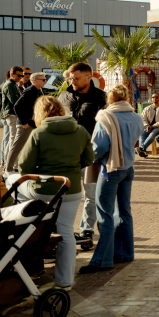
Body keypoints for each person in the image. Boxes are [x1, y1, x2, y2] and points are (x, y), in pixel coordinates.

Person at [17, 96, 93, 290]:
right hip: (71, 188)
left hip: (44, 191)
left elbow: (24, 167)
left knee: (13, 184)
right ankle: (65, 281)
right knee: (66, 231)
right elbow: (88, 159)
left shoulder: (39, 133)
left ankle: (29, 235)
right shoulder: (81, 130)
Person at [78, 84, 143, 275]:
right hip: (128, 166)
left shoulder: (105, 117)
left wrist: (91, 159)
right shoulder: (136, 116)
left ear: (110, 99)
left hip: (110, 167)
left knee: (104, 212)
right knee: (124, 211)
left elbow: (98, 146)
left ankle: (102, 260)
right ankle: (124, 253)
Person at [59, 62, 107, 244]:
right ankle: (63, 231)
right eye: (71, 78)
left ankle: (86, 230)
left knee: (91, 194)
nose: (73, 82)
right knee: (63, 194)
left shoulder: (102, 98)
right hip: (66, 154)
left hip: (90, 155)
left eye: (76, 78)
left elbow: (106, 127)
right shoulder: (64, 96)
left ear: (89, 77)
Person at [6, 72, 47, 172]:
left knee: (35, 147)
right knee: (17, 147)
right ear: (34, 81)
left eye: (45, 79)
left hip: (34, 124)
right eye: (43, 80)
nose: (45, 81)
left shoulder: (39, 91)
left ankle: (26, 167)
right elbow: (17, 106)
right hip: (26, 125)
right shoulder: (30, 91)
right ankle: (8, 169)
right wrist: (24, 122)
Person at [0, 66, 24, 168]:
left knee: (12, 140)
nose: (21, 77)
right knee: (13, 140)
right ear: (12, 75)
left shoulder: (13, 84)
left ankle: (9, 163)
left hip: (12, 114)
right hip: (12, 114)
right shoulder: (9, 85)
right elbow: (15, 101)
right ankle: (10, 164)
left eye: (22, 76)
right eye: (19, 75)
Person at [137, 93, 159, 158]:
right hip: (148, 126)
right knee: (142, 131)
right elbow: (143, 118)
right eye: (153, 97)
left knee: (153, 133)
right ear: (151, 99)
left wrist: (153, 126)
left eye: (157, 97)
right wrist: (147, 126)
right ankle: (143, 151)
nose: (155, 99)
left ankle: (142, 148)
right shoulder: (147, 108)